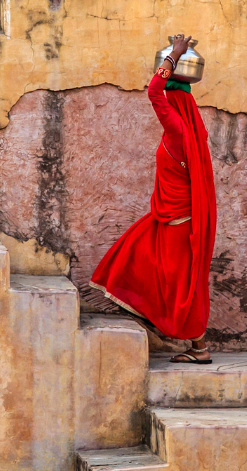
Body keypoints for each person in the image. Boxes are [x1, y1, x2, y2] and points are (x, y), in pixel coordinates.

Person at [89, 34, 218, 363]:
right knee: (140, 255)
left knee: (175, 281)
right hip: (172, 216)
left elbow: (153, 92)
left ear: (174, 106)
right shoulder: (193, 132)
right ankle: (166, 328)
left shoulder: (176, 131)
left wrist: (173, 57)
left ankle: (195, 345)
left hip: (176, 220)